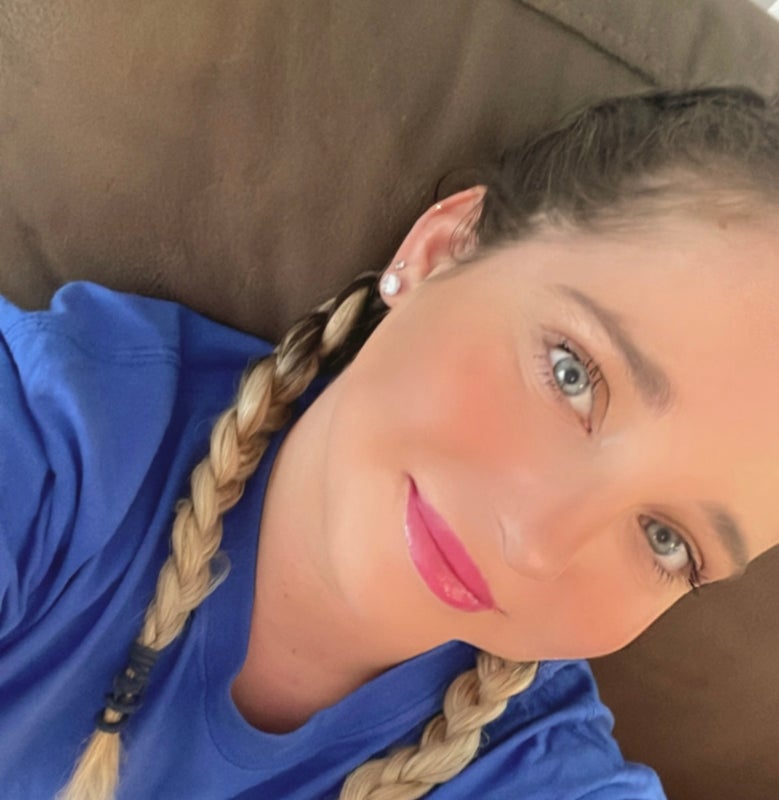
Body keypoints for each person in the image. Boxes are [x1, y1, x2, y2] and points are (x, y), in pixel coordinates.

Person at [1, 86, 778, 800]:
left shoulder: (538, 769)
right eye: (572, 374)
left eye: (666, 540)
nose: (535, 545)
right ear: (442, 249)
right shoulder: (60, 436)